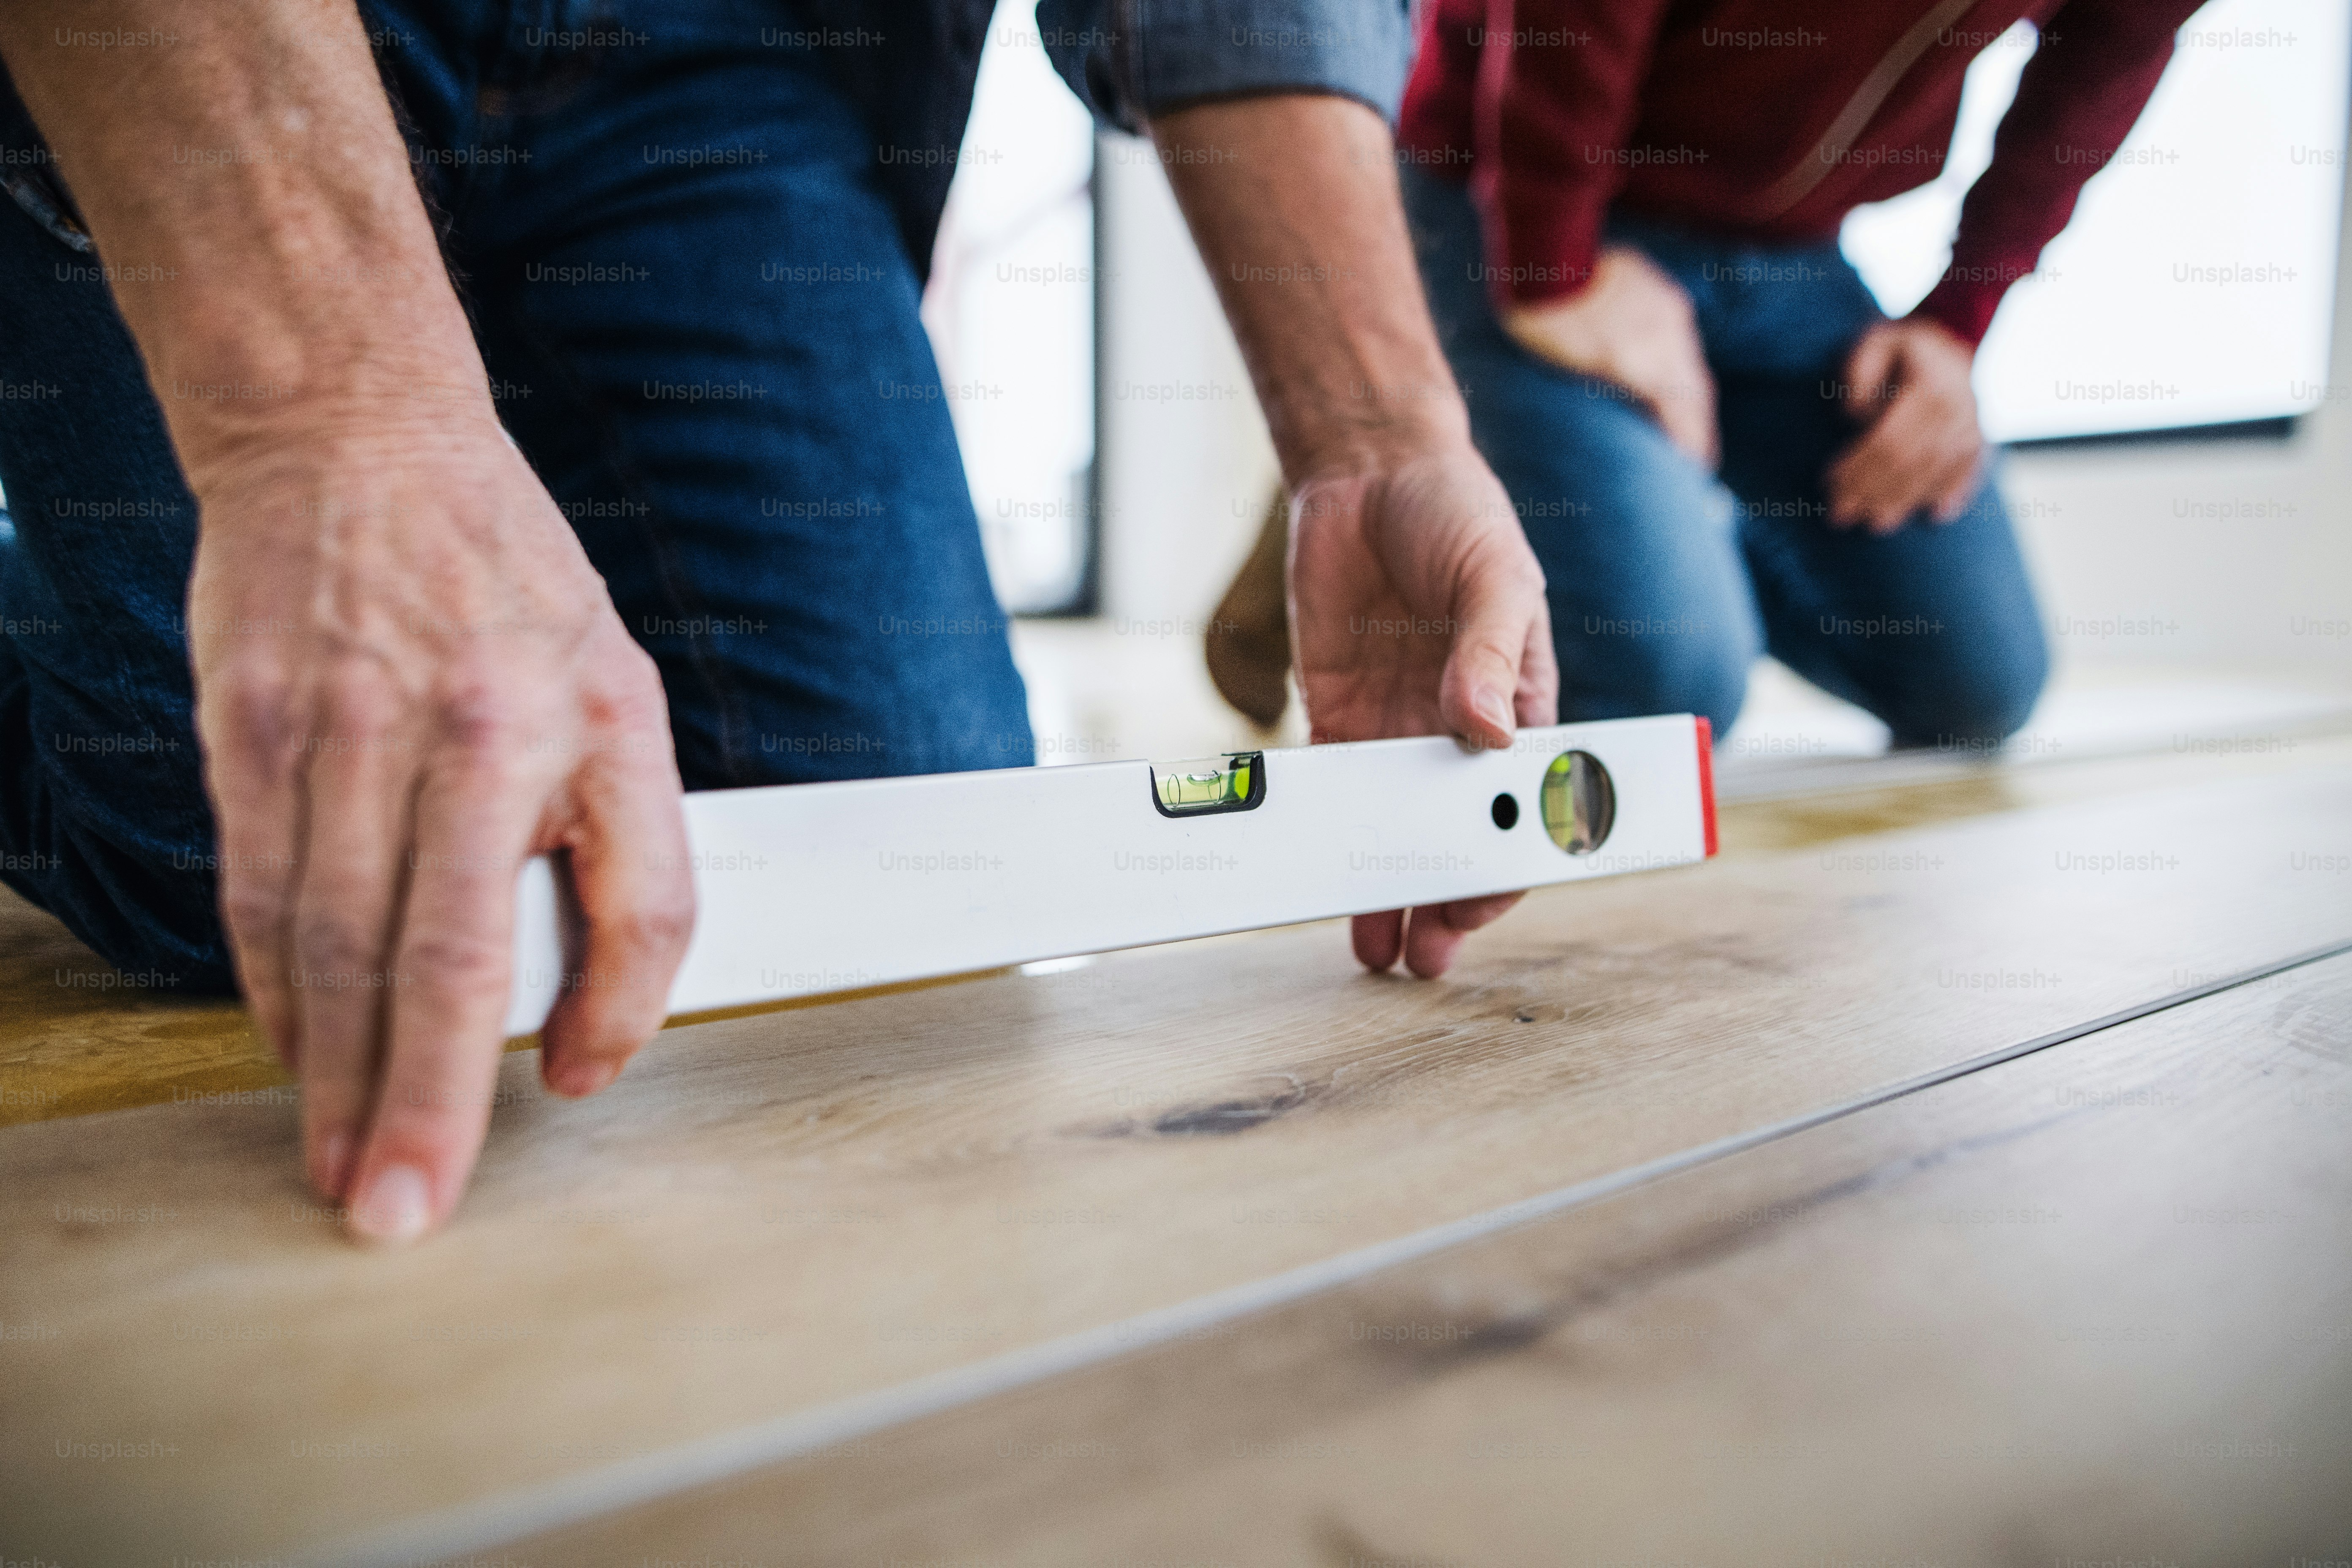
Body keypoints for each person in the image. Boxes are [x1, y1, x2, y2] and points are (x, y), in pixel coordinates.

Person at [0, 0, 1552, 1242]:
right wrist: (343, 430)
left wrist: (1374, 439)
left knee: (886, 849)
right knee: (254, 841)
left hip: (730, 44)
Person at [1210, 0, 2204, 749]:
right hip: (1503, 189)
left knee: (1979, 683)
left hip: (1791, 251)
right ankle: (1393, 437)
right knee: (1668, 692)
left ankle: (1516, 459)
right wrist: (1553, 273)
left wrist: (1956, 324)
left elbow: (2110, 57)